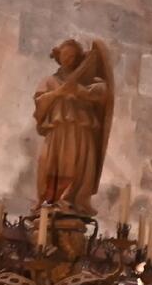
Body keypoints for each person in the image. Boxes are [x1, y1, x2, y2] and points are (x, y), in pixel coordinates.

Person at [34, 39, 113, 214]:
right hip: (58, 133)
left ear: (78, 59)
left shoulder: (87, 81)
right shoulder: (50, 81)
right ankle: (49, 200)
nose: (68, 59)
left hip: (81, 133)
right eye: (64, 55)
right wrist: (58, 93)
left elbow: (102, 91)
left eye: (72, 56)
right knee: (49, 163)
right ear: (58, 56)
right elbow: (40, 103)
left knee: (75, 166)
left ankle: (69, 200)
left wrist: (80, 90)